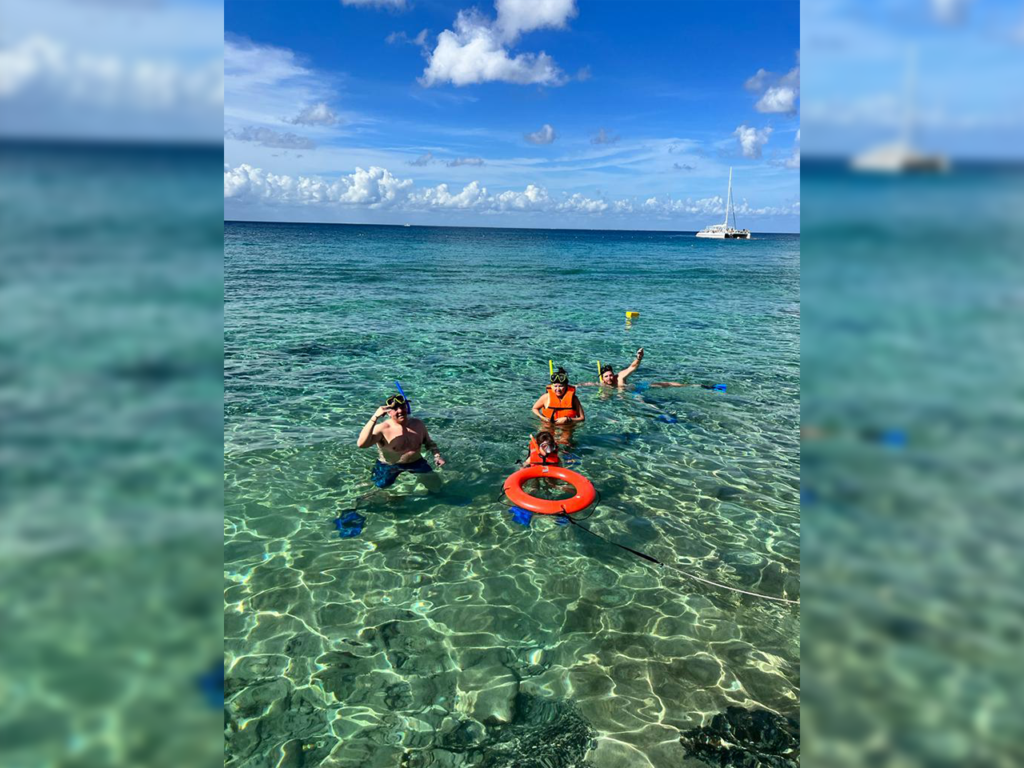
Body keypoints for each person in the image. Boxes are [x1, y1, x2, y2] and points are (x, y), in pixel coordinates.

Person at [356, 393, 444, 492]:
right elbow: (361, 444)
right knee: (377, 489)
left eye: (402, 407)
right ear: (388, 412)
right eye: (395, 409)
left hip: (416, 462)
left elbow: (429, 442)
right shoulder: (383, 428)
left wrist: (437, 456)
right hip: (389, 466)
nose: (400, 411)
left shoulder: (418, 424)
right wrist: (375, 417)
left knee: (437, 486)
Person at [579, 347, 687, 389]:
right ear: (602, 378)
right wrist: (573, 386)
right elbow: (587, 384)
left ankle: (690, 385)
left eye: (611, 375)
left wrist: (639, 358)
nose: (609, 378)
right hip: (627, 397)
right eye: (606, 376)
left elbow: (632, 367)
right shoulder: (602, 385)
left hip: (636, 389)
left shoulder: (620, 377)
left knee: (664, 384)